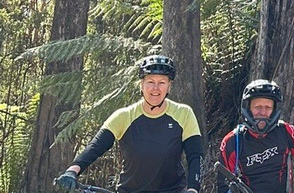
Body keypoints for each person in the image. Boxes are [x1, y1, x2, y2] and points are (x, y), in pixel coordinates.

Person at [55, 54, 203, 193]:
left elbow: (195, 156)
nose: (155, 88)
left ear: (169, 86)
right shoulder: (124, 116)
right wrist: (72, 171)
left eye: (162, 82)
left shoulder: (183, 113)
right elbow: (95, 147)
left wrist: (193, 189)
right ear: (141, 84)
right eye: (150, 82)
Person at [218, 79, 294, 193]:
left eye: (268, 107)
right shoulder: (232, 141)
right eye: (257, 107)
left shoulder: (285, 131)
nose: (263, 112)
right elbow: (223, 186)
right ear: (248, 108)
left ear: (274, 110)